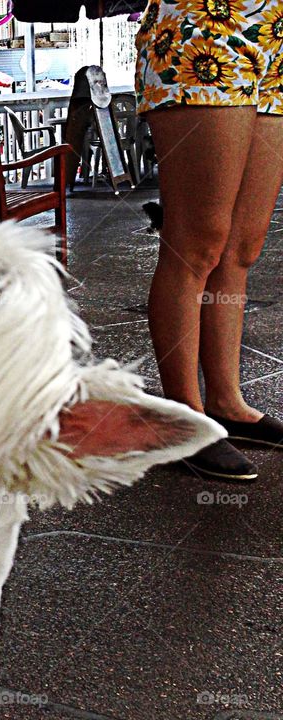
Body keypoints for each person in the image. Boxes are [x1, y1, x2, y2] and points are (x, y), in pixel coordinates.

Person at [136, 0, 283, 480]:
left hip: (273, 35)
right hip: (205, 27)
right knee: (197, 242)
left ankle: (226, 404)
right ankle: (183, 419)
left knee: (244, 246)